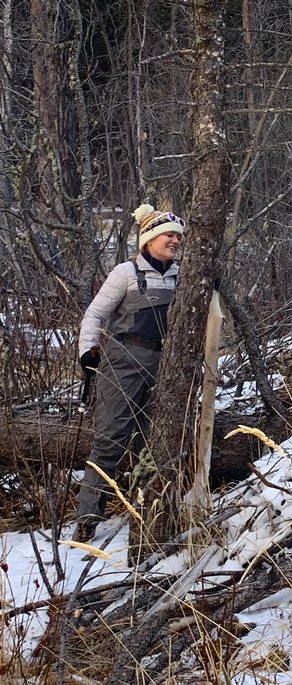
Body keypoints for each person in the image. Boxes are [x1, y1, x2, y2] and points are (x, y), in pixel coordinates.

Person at [73, 203, 185, 540]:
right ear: (149, 239)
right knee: (110, 440)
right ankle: (87, 519)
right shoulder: (125, 273)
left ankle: (152, 512)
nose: (175, 241)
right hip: (123, 361)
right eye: (168, 235)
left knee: (160, 441)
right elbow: (94, 315)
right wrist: (87, 352)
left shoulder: (184, 275)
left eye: (178, 236)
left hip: (168, 365)